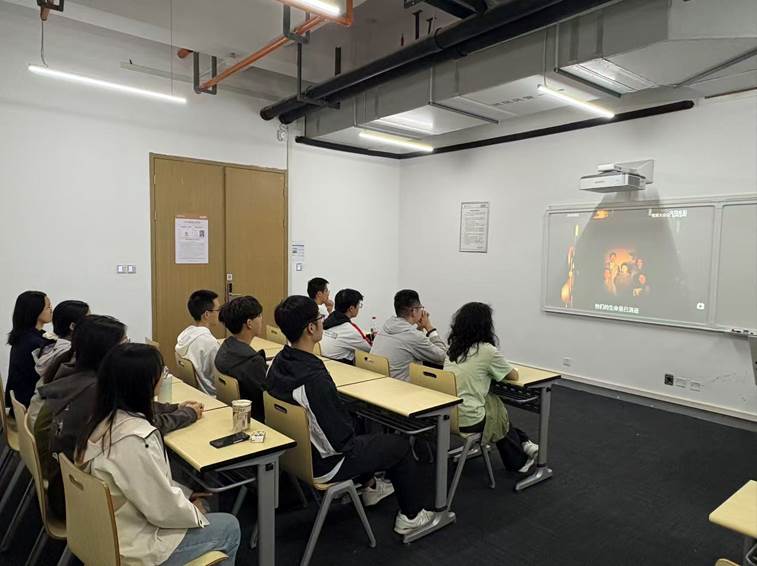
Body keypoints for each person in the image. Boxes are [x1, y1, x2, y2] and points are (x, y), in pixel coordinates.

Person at [266, 296, 435, 533]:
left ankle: (371, 486)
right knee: (399, 446)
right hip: (325, 463)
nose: (323, 321)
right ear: (311, 328)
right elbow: (340, 441)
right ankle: (412, 517)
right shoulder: (314, 377)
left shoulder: (279, 361)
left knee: (358, 422)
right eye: (320, 318)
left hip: (293, 454)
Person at [77, 344, 240, 565]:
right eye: (161, 373)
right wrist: (193, 511)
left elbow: (148, 489)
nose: (163, 377)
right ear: (145, 384)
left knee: (195, 496)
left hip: (105, 531)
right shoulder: (135, 439)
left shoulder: (101, 421)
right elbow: (161, 510)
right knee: (229, 526)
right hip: (132, 547)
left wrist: (185, 496)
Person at [36, 315, 202, 518]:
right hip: (82, 500)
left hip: (71, 482)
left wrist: (173, 407)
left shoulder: (77, 375)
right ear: (107, 352)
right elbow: (137, 424)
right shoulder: (94, 392)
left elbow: (128, 408)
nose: (128, 347)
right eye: (124, 342)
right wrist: (186, 414)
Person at [444, 302, 538, 474]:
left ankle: (524, 442)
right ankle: (518, 460)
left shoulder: (453, 349)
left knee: (492, 404)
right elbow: (513, 376)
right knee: (496, 409)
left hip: (447, 415)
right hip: (468, 420)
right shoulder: (487, 351)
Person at [28, 300, 90, 425]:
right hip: (47, 422)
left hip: (39, 413)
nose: (93, 324)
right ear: (72, 326)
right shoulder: (68, 353)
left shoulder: (53, 344)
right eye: (88, 320)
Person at [370, 289, 447, 381]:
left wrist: (420, 328)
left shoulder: (386, 326)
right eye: (421, 308)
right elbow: (443, 357)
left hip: (379, 381)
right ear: (414, 311)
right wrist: (429, 327)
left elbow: (411, 342)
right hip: (400, 387)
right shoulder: (413, 336)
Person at [215, 295, 268, 421]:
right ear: (249, 323)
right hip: (256, 418)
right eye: (259, 315)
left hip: (235, 413)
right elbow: (268, 397)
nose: (261, 319)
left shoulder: (225, 348)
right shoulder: (252, 362)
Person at [6, 290, 54, 409]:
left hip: (21, 399)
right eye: (48, 307)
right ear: (35, 311)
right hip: (29, 403)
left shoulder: (23, 335)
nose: (51, 310)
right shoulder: (34, 342)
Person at [176, 290, 221, 395]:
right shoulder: (210, 343)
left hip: (194, 392)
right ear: (206, 314)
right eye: (218, 310)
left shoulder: (185, 336)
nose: (220, 313)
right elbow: (219, 378)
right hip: (211, 396)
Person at [320, 289, 372, 364]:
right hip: (340, 367)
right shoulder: (351, 330)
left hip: (324, 363)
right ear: (351, 308)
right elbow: (370, 349)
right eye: (359, 305)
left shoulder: (325, 322)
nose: (359, 308)